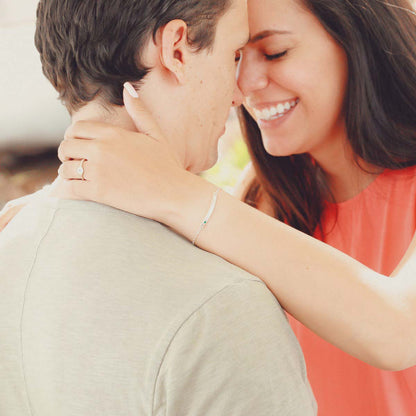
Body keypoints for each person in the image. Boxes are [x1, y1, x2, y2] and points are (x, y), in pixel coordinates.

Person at [0, 1, 319, 415]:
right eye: (234, 55)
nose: (241, 92)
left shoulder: (12, 245)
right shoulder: (224, 308)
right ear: (177, 50)